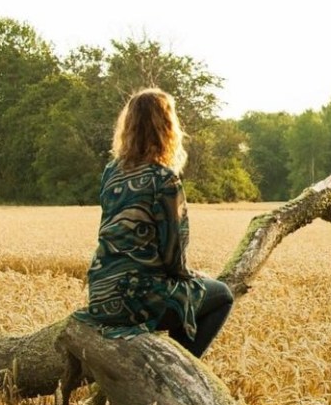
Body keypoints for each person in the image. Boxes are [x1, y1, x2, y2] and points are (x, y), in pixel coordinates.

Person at [73, 87, 233, 358]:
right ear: (167, 128)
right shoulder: (165, 179)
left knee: (184, 295)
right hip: (137, 299)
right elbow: (173, 257)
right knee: (221, 295)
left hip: (100, 295)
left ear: (129, 127)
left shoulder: (111, 172)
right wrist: (193, 276)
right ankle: (182, 366)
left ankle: (174, 363)